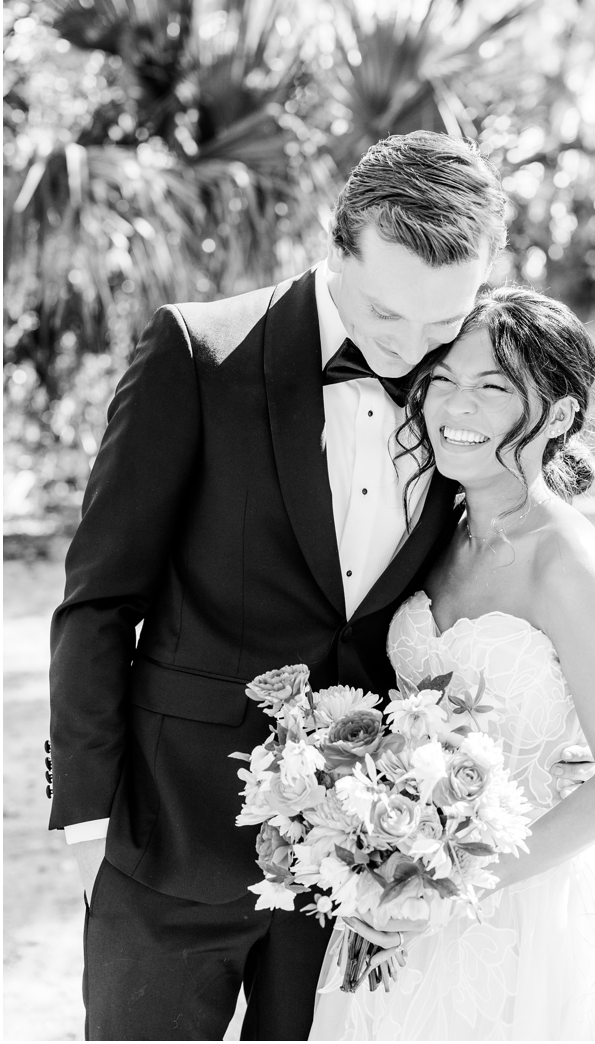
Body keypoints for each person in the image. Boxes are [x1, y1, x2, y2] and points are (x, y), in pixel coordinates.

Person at [47, 131, 503, 1039]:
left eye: (442, 324)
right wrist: (89, 821)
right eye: (385, 315)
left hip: (358, 869)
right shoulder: (197, 351)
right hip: (170, 837)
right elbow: (100, 598)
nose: (411, 349)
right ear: (336, 247)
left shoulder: (461, 402)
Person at [308, 288, 595, 1040]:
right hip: (396, 885)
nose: (454, 405)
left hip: (527, 903)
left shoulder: (564, 559)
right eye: (444, 378)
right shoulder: (434, 527)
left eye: (493, 387)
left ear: (562, 416)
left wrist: (450, 886)